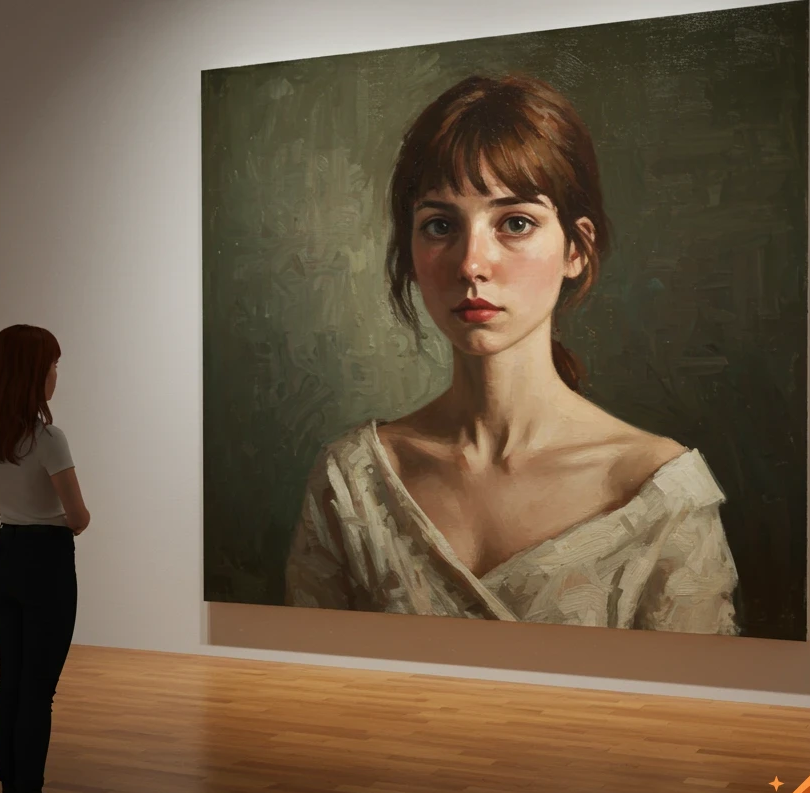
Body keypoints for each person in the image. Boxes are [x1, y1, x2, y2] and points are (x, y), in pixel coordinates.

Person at [283, 75, 739, 635]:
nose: (472, 263)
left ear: (577, 248)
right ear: (410, 251)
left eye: (515, 223)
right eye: (440, 225)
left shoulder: (660, 494)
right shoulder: (354, 481)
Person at [0, 324, 90, 793]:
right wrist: (55, 519)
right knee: (38, 692)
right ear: (33, 372)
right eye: (52, 365)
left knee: (11, 684)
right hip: (46, 563)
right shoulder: (48, 438)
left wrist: (21, 509)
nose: (56, 374)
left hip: (5, 557)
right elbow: (79, 515)